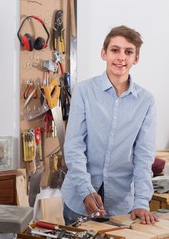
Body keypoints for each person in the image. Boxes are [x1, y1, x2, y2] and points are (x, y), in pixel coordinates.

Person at [61, 25, 158, 225]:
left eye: (128, 52)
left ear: (136, 59)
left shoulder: (146, 101)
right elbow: (74, 145)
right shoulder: (83, 91)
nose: (121, 57)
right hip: (79, 198)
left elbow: (143, 156)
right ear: (104, 54)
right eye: (115, 50)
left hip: (120, 203)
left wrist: (141, 202)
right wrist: (85, 190)